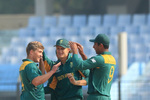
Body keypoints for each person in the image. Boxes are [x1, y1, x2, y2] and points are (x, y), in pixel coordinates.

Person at [69, 34, 116, 100]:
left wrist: (75, 52)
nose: (93, 47)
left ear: (101, 45)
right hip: (106, 97)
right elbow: (91, 65)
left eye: (95, 44)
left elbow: (78, 65)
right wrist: (82, 54)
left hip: (96, 97)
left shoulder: (100, 59)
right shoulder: (112, 59)